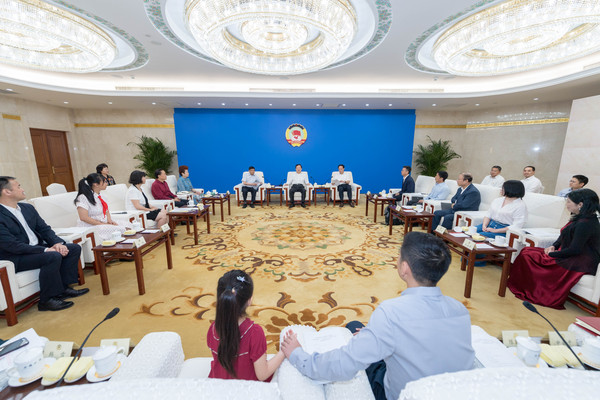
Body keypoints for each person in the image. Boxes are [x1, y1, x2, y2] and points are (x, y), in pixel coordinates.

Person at [281, 232, 474, 400]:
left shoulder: (391, 313)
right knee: (356, 326)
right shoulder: (459, 309)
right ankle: (370, 338)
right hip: (449, 391)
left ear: (404, 268)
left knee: (353, 330)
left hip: (402, 394)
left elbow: (344, 364)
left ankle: (369, 340)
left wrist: (298, 355)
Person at [0, 176, 89, 312]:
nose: (22, 189)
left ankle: (63, 289)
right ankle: (46, 300)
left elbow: (44, 229)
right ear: (7, 191)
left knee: (73, 248)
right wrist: (45, 250)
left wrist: (58, 243)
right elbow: (11, 245)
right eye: (18, 186)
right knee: (52, 256)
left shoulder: (27, 208)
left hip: (36, 248)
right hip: (15, 256)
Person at [507, 188, 600, 309]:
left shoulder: (586, 223)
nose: (566, 205)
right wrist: (554, 246)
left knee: (529, 255)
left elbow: (575, 250)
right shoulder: (579, 217)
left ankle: (531, 290)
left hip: (578, 261)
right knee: (526, 251)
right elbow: (563, 235)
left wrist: (552, 254)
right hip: (569, 254)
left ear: (580, 205)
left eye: (569, 202)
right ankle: (522, 286)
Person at [207, 269, 285, 381]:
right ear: (249, 301)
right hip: (247, 387)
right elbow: (262, 374)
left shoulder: (213, 329)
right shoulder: (255, 333)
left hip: (220, 385)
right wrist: (283, 352)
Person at [74, 173, 128, 241]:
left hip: (102, 222)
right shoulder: (83, 198)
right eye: (104, 182)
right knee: (120, 229)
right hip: (91, 225)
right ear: (96, 184)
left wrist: (110, 221)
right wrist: (103, 224)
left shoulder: (102, 196)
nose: (106, 183)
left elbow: (106, 210)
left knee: (127, 225)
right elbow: (83, 217)